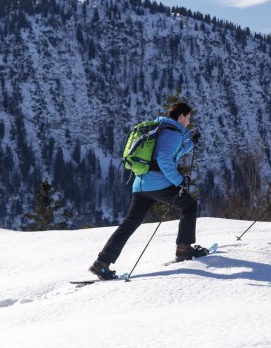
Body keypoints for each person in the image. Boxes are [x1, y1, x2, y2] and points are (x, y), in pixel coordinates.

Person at [89, 102, 210, 280]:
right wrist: (179, 181)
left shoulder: (160, 129)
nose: (189, 122)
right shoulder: (174, 133)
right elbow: (164, 159)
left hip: (141, 185)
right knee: (189, 206)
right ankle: (184, 249)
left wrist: (191, 142)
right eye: (189, 118)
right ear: (182, 116)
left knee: (130, 223)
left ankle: (102, 262)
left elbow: (172, 152)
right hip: (159, 184)